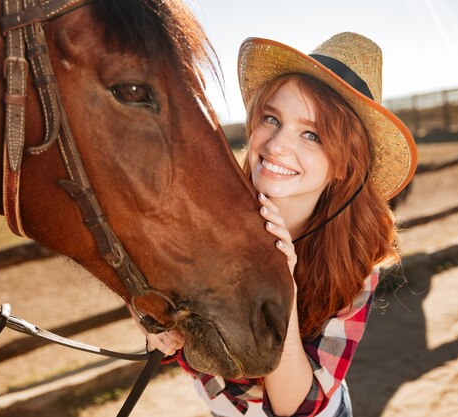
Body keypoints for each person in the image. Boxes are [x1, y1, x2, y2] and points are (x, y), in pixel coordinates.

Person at [140, 32, 417, 417]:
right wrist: (151, 320)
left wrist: (282, 284)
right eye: (272, 118)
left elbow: (297, 407)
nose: (276, 145)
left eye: (312, 134)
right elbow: (141, 276)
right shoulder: (206, 213)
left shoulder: (356, 263)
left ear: (344, 164)